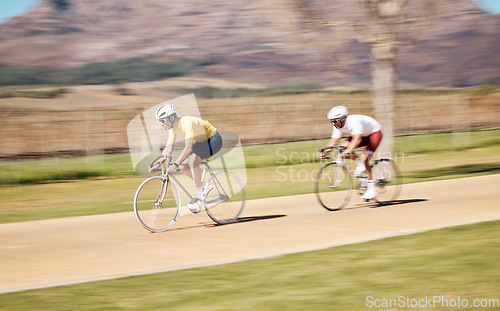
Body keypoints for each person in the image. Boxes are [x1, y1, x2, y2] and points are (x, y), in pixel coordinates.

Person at [155, 104, 223, 213]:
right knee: (183, 166)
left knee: (191, 160)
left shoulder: (187, 123)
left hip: (214, 139)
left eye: (163, 120)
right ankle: (205, 185)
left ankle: (200, 199)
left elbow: (188, 148)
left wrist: (175, 164)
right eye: (160, 121)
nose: (162, 124)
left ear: (172, 118)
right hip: (202, 141)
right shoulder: (172, 129)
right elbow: (169, 148)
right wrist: (158, 163)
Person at [318, 106, 383, 200]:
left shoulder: (354, 121)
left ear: (343, 118)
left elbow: (357, 139)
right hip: (362, 135)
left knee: (364, 158)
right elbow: (334, 142)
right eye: (331, 121)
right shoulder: (337, 126)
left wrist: (348, 151)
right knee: (341, 148)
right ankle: (360, 164)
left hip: (374, 133)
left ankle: (372, 189)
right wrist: (325, 152)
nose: (333, 124)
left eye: (335, 121)